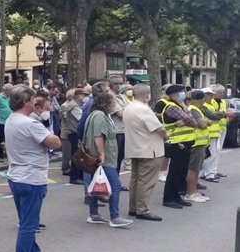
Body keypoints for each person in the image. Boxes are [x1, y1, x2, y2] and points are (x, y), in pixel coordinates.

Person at [5, 85, 62, 252]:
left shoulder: (12, 119)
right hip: (31, 178)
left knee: (27, 221)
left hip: (17, 175)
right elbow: (55, 142)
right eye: (32, 100)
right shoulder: (31, 124)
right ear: (26, 102)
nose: (35, 103)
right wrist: (42, 122)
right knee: (29, 224)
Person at [82, 92, 133, 228]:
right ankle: (114, 217)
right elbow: (98, 136)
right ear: (106, 104)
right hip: (104, 158)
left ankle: (94, 214)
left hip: (95, 156)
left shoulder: (95, 114)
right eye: (113, 103)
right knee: (115, 185)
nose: (114, 106)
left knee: (95, 185)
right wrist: (102, 154)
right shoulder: (100, 115)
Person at [123, 84, 167, 221]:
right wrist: (167, 135)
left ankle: (133, 207)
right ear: (145, 94)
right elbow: (159, 129)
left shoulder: (128, 107)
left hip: (135, 148)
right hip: (149, 149)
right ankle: (142, 209)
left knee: (136, 179)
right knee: (146, 182)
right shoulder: (144, 109)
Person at [160, 84, 197, 209]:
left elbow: (190, 120)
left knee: (181, 171)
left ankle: (176, 196)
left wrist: (186, 112)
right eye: (180, 92)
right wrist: (187, 114)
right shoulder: (171, 107)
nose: (183, 94)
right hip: (177, 143)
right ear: (172, 94)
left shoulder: (180, 106)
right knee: (175, 172)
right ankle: (169, 198)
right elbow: (192, 121)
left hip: (185, 142)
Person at [184, 90, 211, 204]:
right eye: (203, 98)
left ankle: (194, 192)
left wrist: (206, 121)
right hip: (196, 143)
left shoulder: (197, 110)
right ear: (200, 99)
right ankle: (190, 193)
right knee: (193, 170)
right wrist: (206, 122)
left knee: (197, 169)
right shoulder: (193, 110)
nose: (204, 100)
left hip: (200, 143)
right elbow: (203, 124)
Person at [0, 83, 12, 159]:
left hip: (9, 120)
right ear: (6, 90)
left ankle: (8, 153)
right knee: (1, 138)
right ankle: (0, 155)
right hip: (1, 120)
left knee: (8, 138)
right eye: (11, 90)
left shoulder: (9, 98)